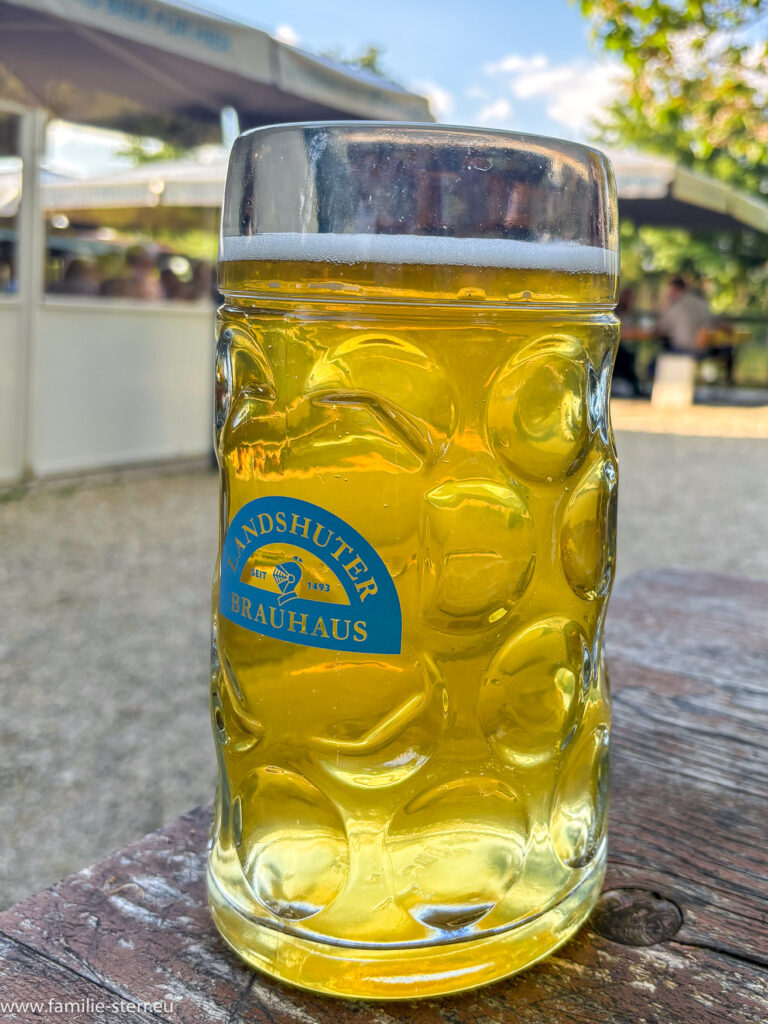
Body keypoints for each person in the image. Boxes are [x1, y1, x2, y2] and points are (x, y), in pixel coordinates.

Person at [657, 276, 712, 354]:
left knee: (654, 363)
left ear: (674, 289)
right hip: (703, 352)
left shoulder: (675, 306)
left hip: (682, 350)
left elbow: (662, 329)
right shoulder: (701, 303)